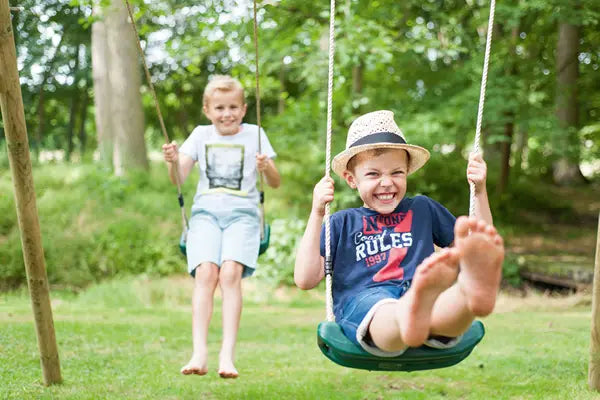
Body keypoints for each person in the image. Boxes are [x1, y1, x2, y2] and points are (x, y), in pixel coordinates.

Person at [294, 110, 504, 357]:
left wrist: (479, 191)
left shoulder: (423, 209)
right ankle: (411, 313)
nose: (386, 182)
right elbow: (305, 279)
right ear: (351, 179)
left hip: (421, 289)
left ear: (407, 172)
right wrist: (317, 212)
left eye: (396, 173)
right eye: (373, 174)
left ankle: (469, 291)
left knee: (446, 309)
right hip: (366, 298)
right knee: (386, 312)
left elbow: (477, 244)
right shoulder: (341, 222)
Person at [163, 75, 280, 378]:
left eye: (232, 107)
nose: (226, 114)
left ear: (243, 109)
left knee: (230, 274)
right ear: (207, 110)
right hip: (205, 216)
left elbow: (275, 183)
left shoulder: (255, 134)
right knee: (206, 273)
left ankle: (227, 356)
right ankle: (199, 353)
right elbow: (178, 179)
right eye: (219, 108)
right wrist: (172, 161)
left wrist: (266, 167)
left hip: (243, 216)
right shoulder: (200, 135)